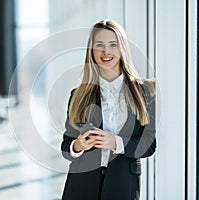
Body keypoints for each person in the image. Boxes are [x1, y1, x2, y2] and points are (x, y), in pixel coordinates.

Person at [61, 19, 156, 200]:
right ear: (92, 50)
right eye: (100, 45)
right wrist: (78, 146)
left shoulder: (145, 92)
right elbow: (66, 146)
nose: (106, 51)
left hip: (123, 184)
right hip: (81, 184)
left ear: (122, 49)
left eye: (113, 44)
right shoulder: (78, 94)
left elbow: (149, 145)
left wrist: (115, 142)